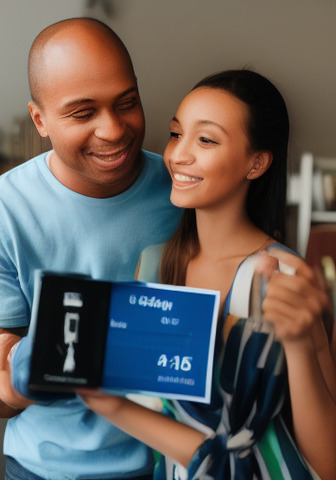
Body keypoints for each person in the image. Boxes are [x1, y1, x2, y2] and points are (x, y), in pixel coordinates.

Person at [79, 69, 336, 480]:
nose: (179, 154)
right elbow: (191, 440)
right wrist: (106, 403)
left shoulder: (285, 276)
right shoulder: (154, 266)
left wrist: (302, 347)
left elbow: (329, 464)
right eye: (177, 134)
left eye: (206, 139)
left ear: (257, 163)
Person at [0, 17, 182, 480]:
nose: (114, 129)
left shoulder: (185, 191)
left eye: (128, 103)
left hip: (176, 463)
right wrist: (6, 381)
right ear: (40, 120)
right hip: (46, 470)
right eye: (84, 113)